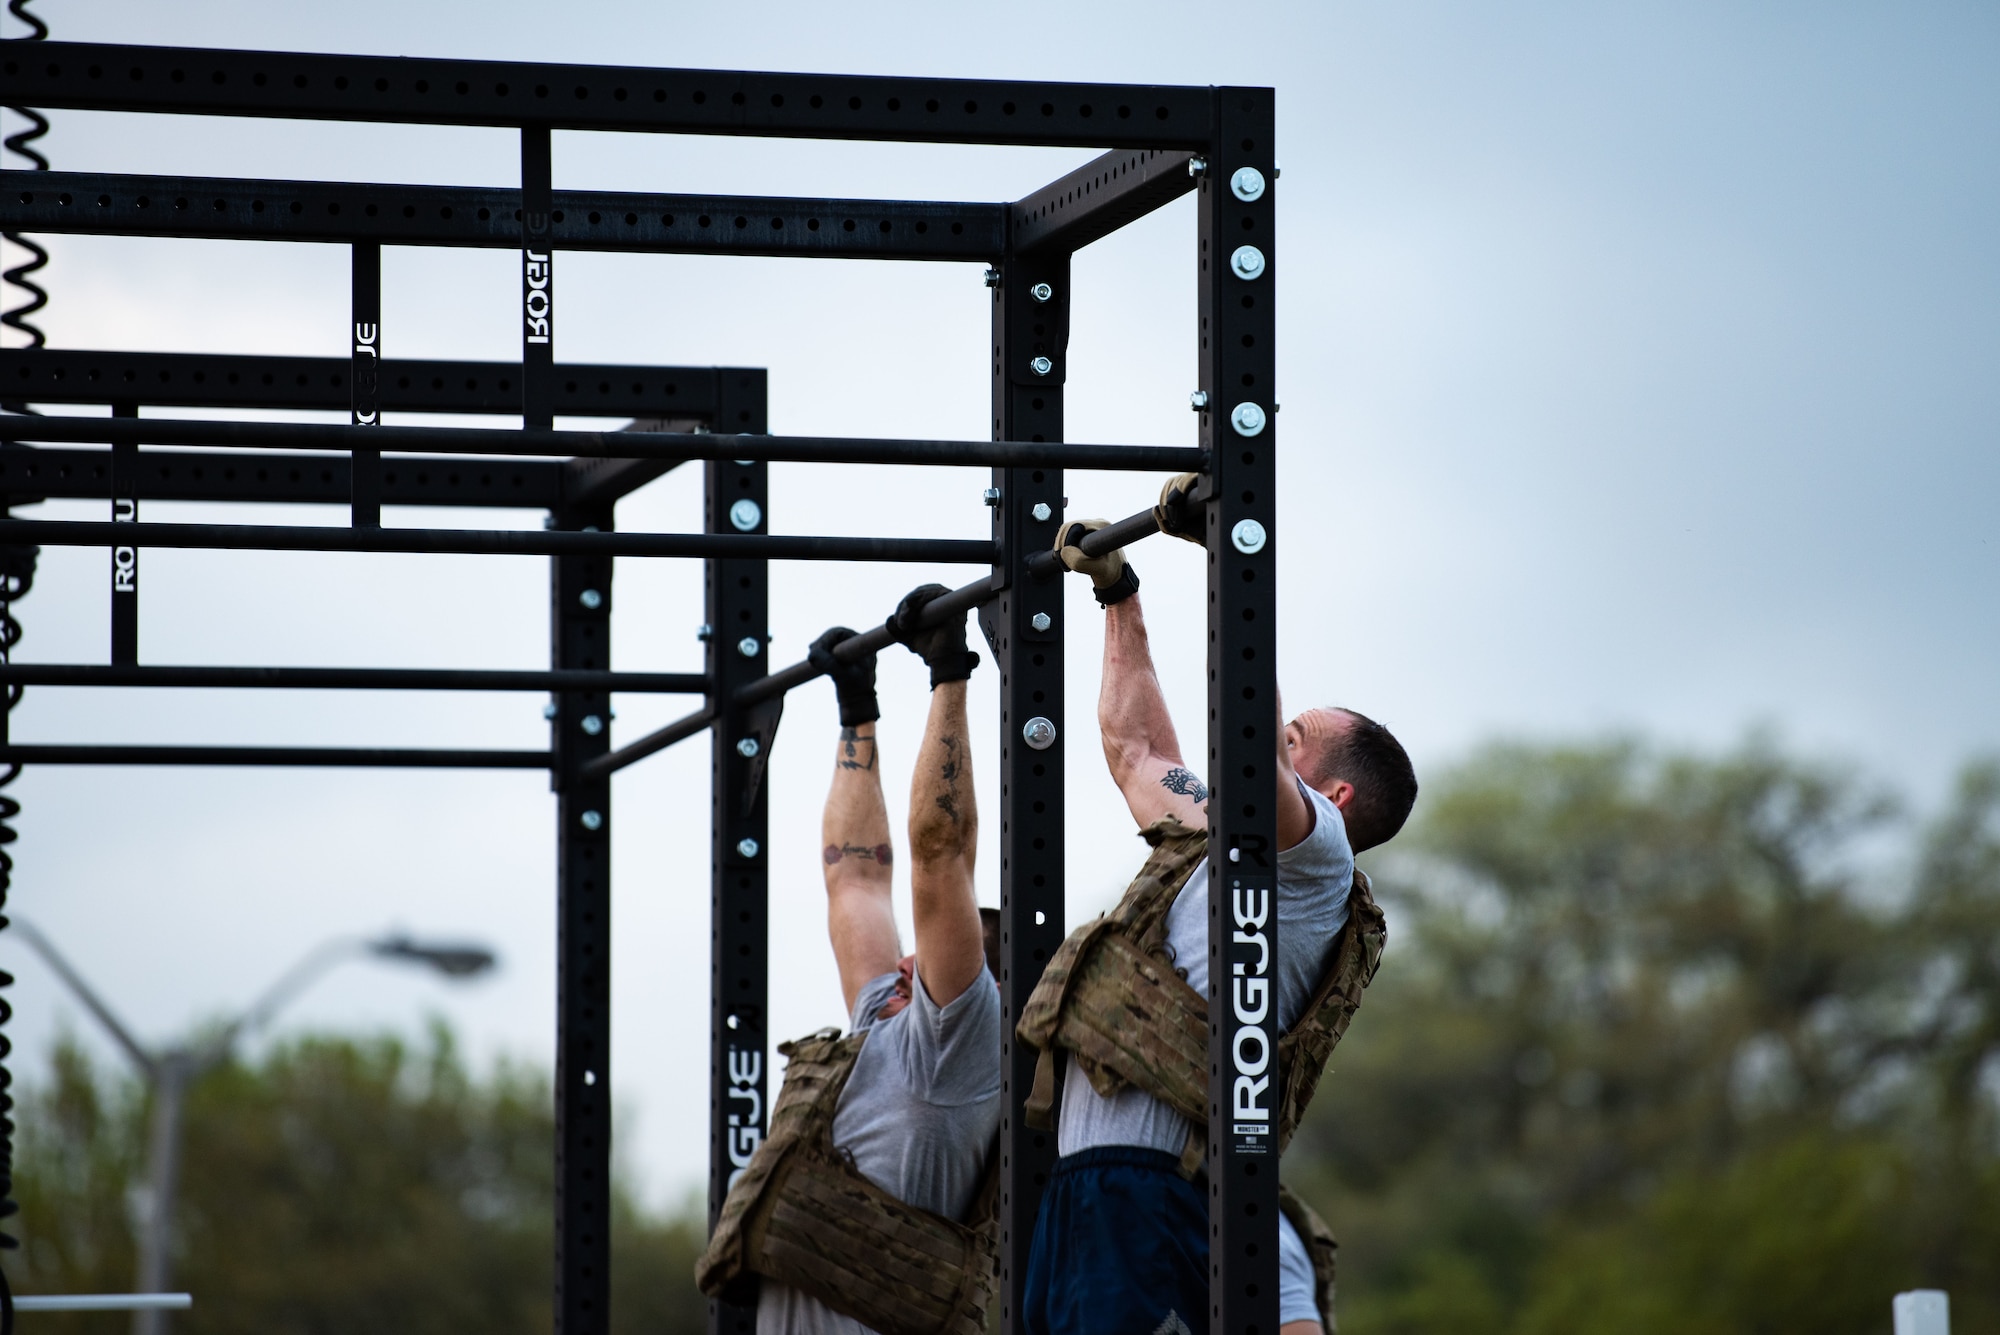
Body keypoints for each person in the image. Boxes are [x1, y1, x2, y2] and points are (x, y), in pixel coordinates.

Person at [1019, 478, 1419, 1335]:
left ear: (1336, 793)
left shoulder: (1317, 856)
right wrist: (1118, 594)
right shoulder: (1223, 838)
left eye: (1295, 738)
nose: (1276, 736)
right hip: (1081, 1191)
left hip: (1154, 1190)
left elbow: (1246, 742)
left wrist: (1226, 557)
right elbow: (1139, 751)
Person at [696, 585, 1004, 1335]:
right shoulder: (883, 1021)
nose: (902, 962)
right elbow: (855, 875)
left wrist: (949, 672)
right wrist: (856, 711)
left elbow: (940, 858)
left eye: (924, 958)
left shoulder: (953, 1045)